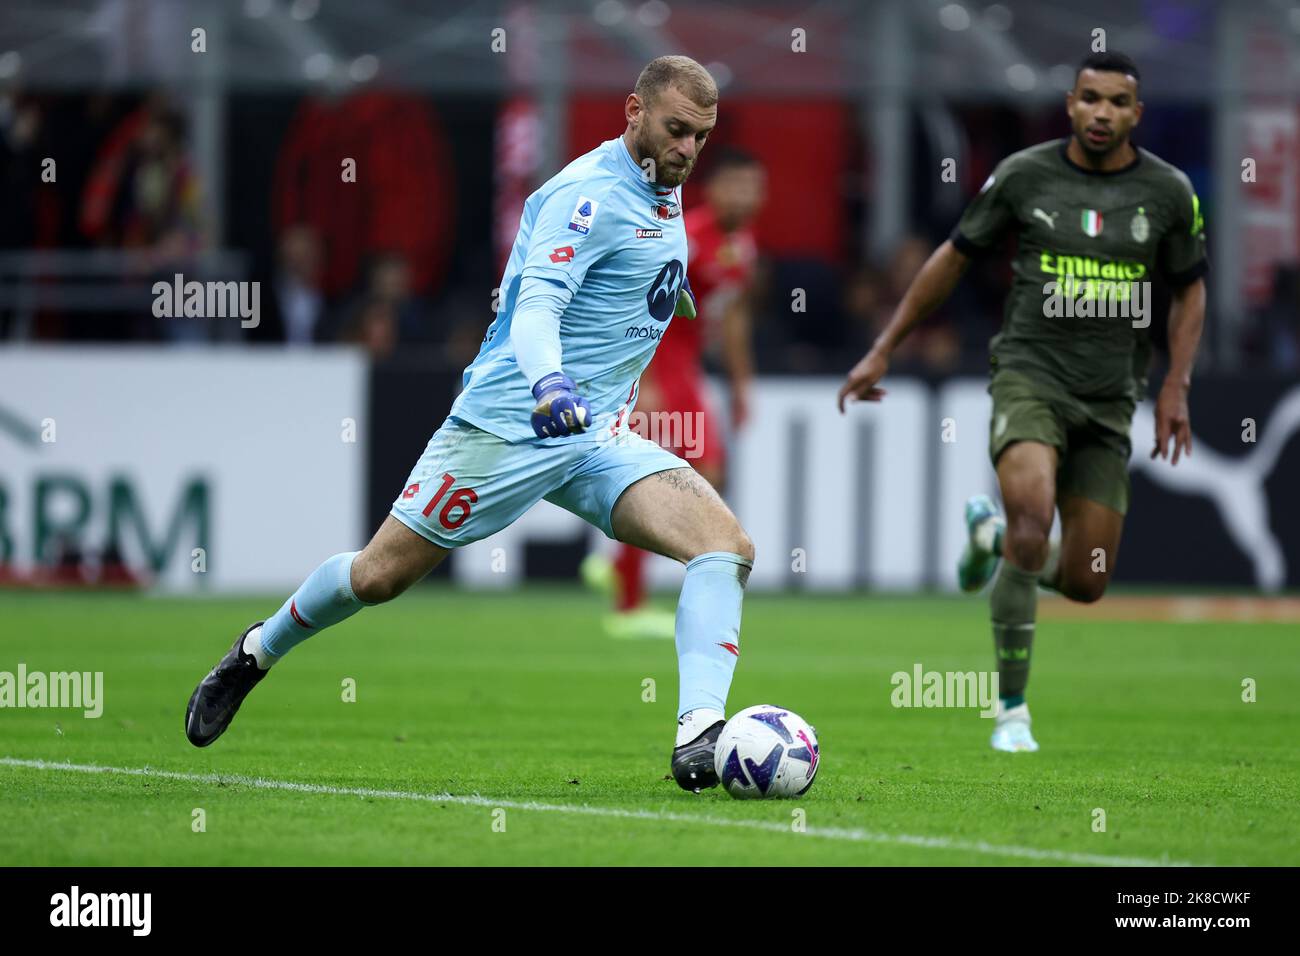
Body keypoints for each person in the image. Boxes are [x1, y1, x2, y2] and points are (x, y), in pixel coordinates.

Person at [185, 55, 754, 793]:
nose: (688, 151)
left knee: (725, 546)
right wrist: (550, 380)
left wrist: (652, 309)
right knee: (379, 576)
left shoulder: (664, 186)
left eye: (701, 137)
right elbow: (540, 305)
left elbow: (632, 279)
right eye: (677, 131)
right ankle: (257, 651)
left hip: (594, 435)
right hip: (511, 424)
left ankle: (698, 736)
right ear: (633, 113)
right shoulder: (584, 196)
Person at [838, 52, 1208, 752]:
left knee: (1087, 582)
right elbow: (953, 255)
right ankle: (1011, 712)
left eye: (1117, 103)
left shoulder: (1168, 192)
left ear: (1137, 113)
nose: (1102, 113)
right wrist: (885, 346)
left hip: (1109, 398)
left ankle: (991, 541)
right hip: (1029, 377)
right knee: (1033, 521)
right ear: (1069, 104)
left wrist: (1175, 384)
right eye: (1090, 99)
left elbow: (1190, 286)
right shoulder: (1023, 175)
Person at [583, 148, 763, 638]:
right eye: (738, 186)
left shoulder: (742, 244)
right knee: (696, 469)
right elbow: (648, 304)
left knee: (686, 471)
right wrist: (647, 382)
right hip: (661, 364)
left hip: (688, 368)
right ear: (715, 190)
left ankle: (621, 575)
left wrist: (742, 385)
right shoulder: (689, 235)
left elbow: (734, 318)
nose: (748, 197)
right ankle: (626, 593)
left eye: (755, 188)